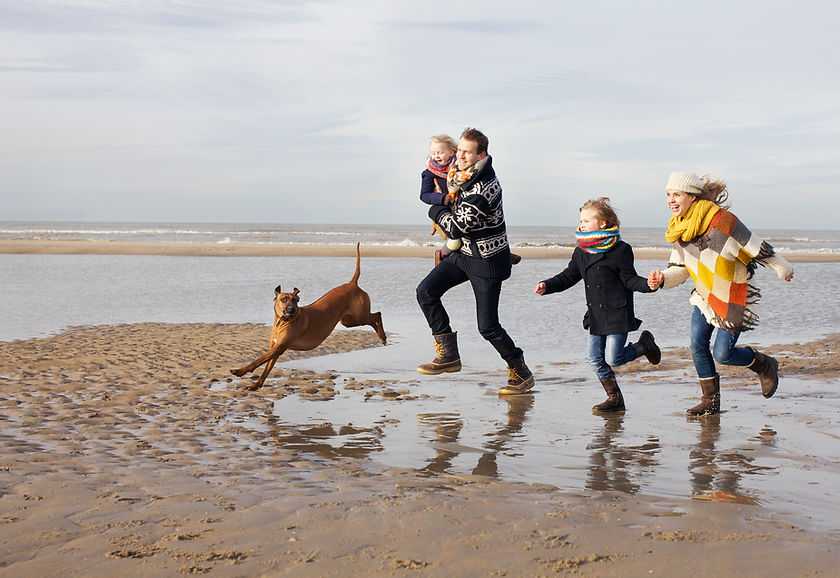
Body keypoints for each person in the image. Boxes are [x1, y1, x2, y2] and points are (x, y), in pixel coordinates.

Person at [647, 172, 794, 417]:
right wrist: (662, 279)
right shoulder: (679, 231)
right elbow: (680, 270)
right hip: (705, 295)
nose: (671, 200)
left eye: (677, 195)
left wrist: (783, 269)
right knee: (697, 344)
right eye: (668, 195)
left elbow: (754, 245)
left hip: (733, 294)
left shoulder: (721, 221)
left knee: (723, 354)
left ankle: (764, 364)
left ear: (692, 197)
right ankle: (710, 401)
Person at [416, 127, 534, 395]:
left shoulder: (484, 187)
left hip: (487, 262)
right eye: (460, 151)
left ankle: (520, 371)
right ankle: (449, 354)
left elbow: (456, 228)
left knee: (488, 327)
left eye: (468, 152)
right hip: (463, 255)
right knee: (425, 291)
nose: (461, 156)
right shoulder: (459, 175)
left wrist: (435, 209)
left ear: (482, 154)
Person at [534, 197, 661, 413]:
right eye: (580, 220)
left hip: (617, 313)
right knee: (594, 357)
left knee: (614, 358)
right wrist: (548, 285)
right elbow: (568, 276)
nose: (581, 225)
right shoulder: (580, 252)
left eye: (586, 221)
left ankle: (644, 345)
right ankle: (614, 398)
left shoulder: (621, 250)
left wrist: (650, 285)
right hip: (595, 314)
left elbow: (630, 280)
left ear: (602, 223)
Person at [419, 134, 463, 262]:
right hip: (444, 206)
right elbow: (424, 195)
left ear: (451, 152)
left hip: (461, 204)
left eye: (440, 152)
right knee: (455, 241)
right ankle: (442, 254)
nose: (436, 156)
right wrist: (441, 197)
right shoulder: (429, 172)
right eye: (433, 153)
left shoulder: (459, 168)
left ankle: (501, 252)